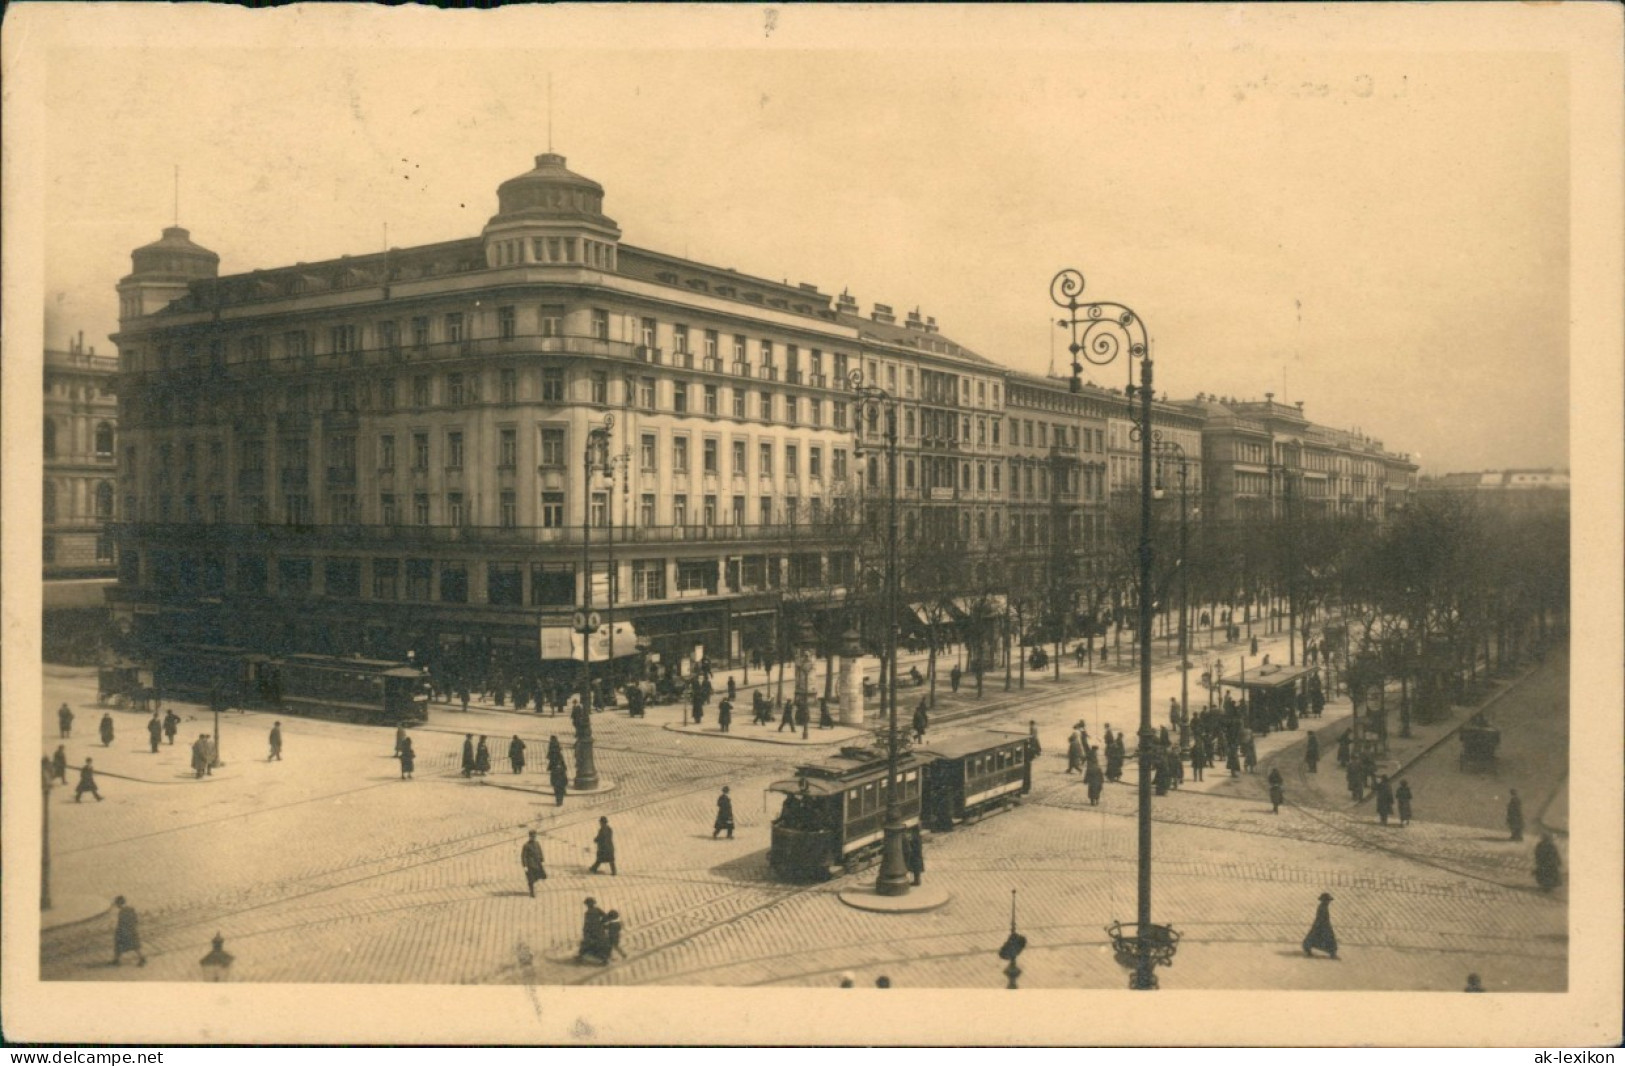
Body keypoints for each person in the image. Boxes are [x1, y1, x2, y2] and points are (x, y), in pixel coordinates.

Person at [1302, 892, 1338, 959]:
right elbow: (1321, 918)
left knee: (1314, 937)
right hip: (1322, 925)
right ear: (1324, 900)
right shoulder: (1322, 907)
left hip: (1321, 925)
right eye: (1327, 900)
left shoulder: (1323, 906)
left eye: (1329, 900)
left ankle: (1308, 949)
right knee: (1328, 939)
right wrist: (1324, 925)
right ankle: (1332, 954)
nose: (1329, 902)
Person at [111, 896, 146, 967]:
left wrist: (119, 931)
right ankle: (116, 960)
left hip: (125, 931)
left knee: (120, 945)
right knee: (134, 946)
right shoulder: (131, 909)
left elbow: (121, 923)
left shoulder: (122, 911)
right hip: (132, 930)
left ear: (119, 903)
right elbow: (135, 920)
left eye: (117, 904)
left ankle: (142, 958)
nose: (117, 906)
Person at [577, 897, 607, 963]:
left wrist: (585, 931)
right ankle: (604, 959)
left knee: (587, 943)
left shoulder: (588, 913)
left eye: (587, 904)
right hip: (599, 929)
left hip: (592, 930)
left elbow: (586, 924)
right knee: (600, 943)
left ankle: (580, 956)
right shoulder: (597, 910)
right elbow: (605, 916)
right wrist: (601, 922)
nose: (587, 905)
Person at [520, 830, 547, 896]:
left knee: (540, 876)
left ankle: (533, 887)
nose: (534, 838)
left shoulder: (537, 844)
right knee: (531, 879)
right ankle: (532, 892)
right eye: (532, 836)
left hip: (537, 864)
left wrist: (542, 860)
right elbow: (524, 856)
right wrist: (525, 866)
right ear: (530, 837)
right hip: (530, 865)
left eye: (535, 836)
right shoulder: (526, 845)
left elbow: (540, 852)